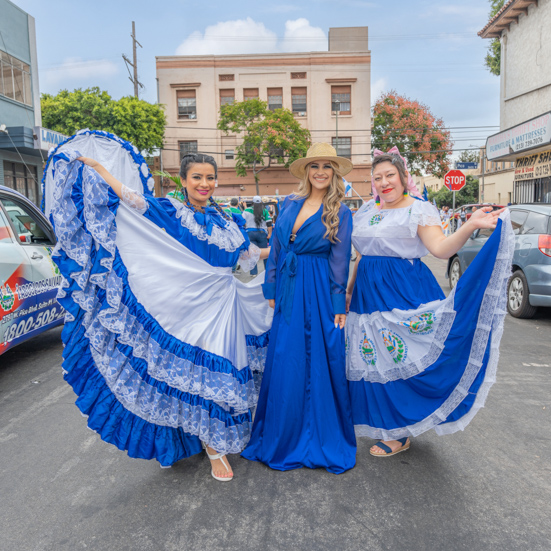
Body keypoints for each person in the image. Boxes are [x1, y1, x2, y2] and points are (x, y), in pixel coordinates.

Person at [44, 133, 272, 482]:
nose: (205, 183)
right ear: (183, 180)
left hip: (226, 308)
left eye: (210, 177)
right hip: (189, 309)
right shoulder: (172, 211)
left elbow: (247, 261)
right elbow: (131, 200)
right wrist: (100, 169)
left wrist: (288, 249)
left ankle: (211, 440)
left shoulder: (228, 222)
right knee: (197, 376)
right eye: (197, 177)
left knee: (220, 373)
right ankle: (214, 449)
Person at [345, 147, 513, 458]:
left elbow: (441, 249)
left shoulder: (419, 210)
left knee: (400, 356)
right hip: (367, 294)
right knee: (373, 356)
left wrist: (470, 224)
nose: (384, 183)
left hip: (403, 291)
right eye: (378, 178)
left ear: (403, 177)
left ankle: (400, 431)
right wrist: (350, 289)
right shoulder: (366, 210)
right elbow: (361, 254)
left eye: (390, 176)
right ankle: (387, 423)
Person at [242, 143, 356, 473]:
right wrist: (272, 286)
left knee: (322, 354)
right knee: (286, 355)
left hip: (320, 285)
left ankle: (319, 435)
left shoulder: (341, 212)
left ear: (334, 172)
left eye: (327, 166)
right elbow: (276, 248)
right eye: (314, 165)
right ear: (306, 170)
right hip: (289, 288)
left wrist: (338, 303)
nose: (320, 171)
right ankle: (283, 435)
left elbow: (339, 260)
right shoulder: (288, 203)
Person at [242, 196, 273, 276]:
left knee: (252, 253)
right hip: (262, 233)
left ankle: (253, 273)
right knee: (266, 254)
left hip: (250, 233)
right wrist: (270, 234)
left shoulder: (246, 210)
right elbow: (269, 223)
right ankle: (267, 272)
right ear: (261, 203)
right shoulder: (265, 211)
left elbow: (242, 222)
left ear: (252, 202)